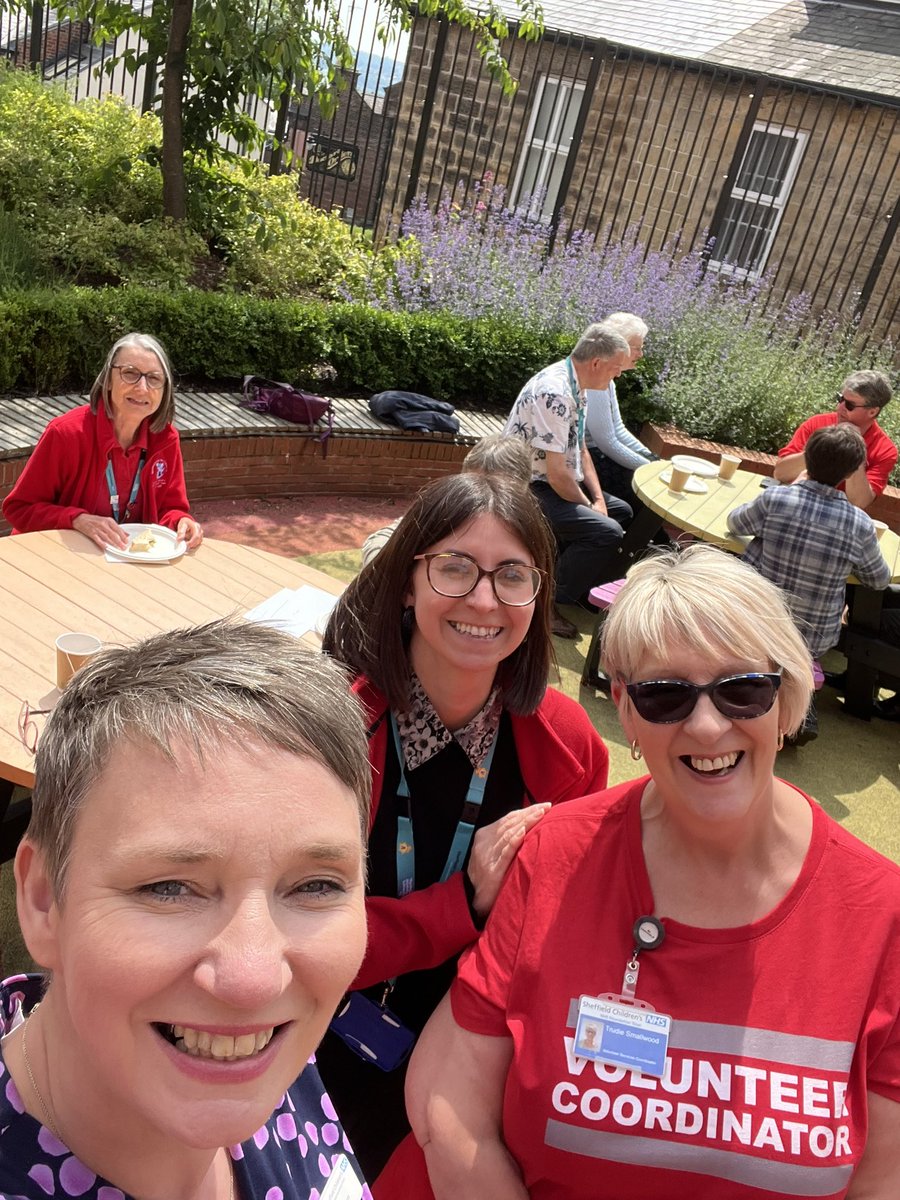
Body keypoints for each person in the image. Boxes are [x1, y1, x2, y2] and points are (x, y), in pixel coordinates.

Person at [408, 543, 900, 1200]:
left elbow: (885, 1179)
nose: (706, 724)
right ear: (626, 709)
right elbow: (452, 1102)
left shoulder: (882, 914)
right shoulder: (558, 854)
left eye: (742, 689)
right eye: (664, 695)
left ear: (787, 699)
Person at [0, 618, 373, 1199]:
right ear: (45, 899)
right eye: (169, 888)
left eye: (315, 887)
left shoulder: (256, 1051)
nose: (254, 980)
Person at [318, 472, 610, 1189]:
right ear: (407, 581)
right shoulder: (327, 735)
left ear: (537, 596)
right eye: (455, 566)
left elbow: (553, 945)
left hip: (481, 1048)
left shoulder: (570, 745)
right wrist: (463, 906)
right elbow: (300, 946)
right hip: (317, 1030)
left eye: (512, 575)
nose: (485, 600)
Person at [2, 332, 203, 551]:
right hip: (55, 559)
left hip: (125, 562)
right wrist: (75, 520)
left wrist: (181, 521)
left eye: (154, 378)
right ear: (107, 380)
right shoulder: (66, 433)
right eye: (130, 373)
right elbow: (19, 509)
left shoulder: (166, 438)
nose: (142, 388)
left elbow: (170, 507)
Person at [503, 324, 633, 625]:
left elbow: (581, 451)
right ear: (597, 363)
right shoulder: (556, 393)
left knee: (620, 510)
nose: (619, 375)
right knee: (606, 531)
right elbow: (558, 475)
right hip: (525, 487)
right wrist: (593, 511)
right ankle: (544, 604)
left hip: (550, 482)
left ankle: (576, 584)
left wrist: (599, 499)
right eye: (616, 368)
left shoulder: (578, 385)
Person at [360, 433, 533, 568]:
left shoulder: (531, 528)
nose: (486, 498)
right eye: (475, 486)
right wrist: (384, 570)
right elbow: (384, 537)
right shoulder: (446, 505)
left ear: (521, 491)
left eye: (497, 490)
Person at [773, 370, 897, 511]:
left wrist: (854, 449)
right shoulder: (817, 423)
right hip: (794, 505)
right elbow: (780, 473)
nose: (840, 408)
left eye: (850, 405)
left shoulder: (885, 450)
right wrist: (824, 445)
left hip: (836, 519)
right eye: (840, 399)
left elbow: (859, 502)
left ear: (873, 412)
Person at [584, 312, 657, 506]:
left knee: (650, 479)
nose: (641, 354)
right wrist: (649, 468)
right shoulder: (596, 380)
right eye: (637, 348)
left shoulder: (608, 380)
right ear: (619, 346)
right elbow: (606, 442)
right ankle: (649, 536)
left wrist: (651, 458)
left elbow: (618, 429)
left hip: (598, 453)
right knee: (644, 489)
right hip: (587, 460)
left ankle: (656, 536)